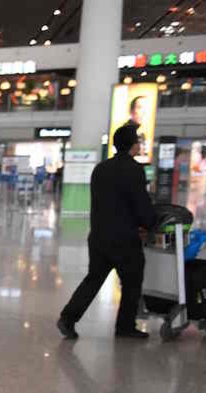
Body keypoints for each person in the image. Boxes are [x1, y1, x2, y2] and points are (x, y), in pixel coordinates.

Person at [57, 123, 156, 340]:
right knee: (132, 281)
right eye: (138, 141)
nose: (139, 145)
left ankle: (68, 318)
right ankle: (125, 327)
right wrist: (150, 222)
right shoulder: (134, 170)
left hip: (99, 236)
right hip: (125, 239)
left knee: (93, 279)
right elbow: (141, 204)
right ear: (132, 145)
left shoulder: (100, 169)